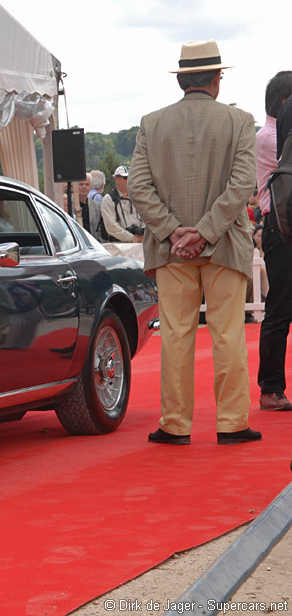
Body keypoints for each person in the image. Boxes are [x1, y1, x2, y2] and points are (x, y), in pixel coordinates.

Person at [128, 39, 260, 444]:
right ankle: (232, 423)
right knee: (228, 335)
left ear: (182, 80)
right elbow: (242, 186)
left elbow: (137, 185)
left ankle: (175, 424)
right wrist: (205, 231)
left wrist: (173, 231)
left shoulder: (152, 123)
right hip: (225, 245)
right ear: (217, 78)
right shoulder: (239, 122)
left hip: (171, 250)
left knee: (176, 335)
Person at [255, 70, 292, 411]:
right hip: (280, 230)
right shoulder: (272, 137)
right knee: (279, 310)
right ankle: (270, 387)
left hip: (281, 228)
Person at [101, 166, 144, 242]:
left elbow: (145, 218)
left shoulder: (136, 197)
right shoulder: (108, 199)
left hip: (139, 241)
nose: (129, 180)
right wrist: (131, 238)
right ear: (116, 179)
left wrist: (142, 233)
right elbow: (111, 226)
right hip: (118, 244)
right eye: (126, 178)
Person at [75, 173, 104, 241]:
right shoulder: (70, 205)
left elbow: (99, 228)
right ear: (76, 186)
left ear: (90, 187)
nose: (84, 187)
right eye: (81, 184)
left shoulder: (96, 206)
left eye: (87, 184)